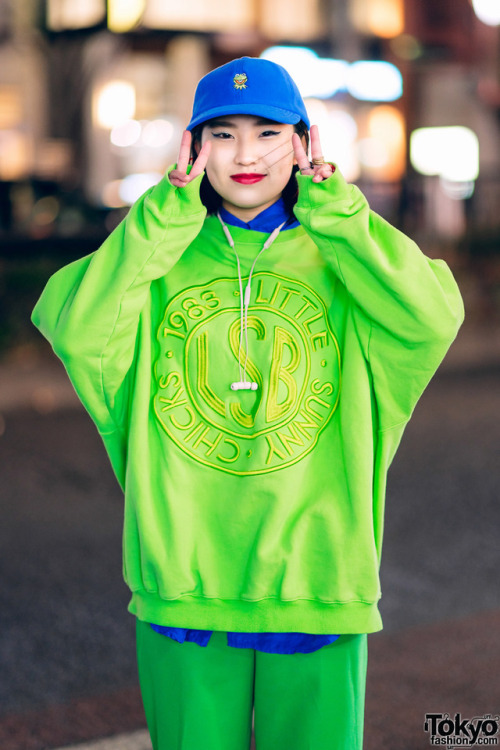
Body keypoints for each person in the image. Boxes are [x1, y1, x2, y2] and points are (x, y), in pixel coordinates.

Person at [32, 57, 464, 750]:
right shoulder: (158, 255)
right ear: (194, 148)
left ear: (303, 141)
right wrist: (163, 217)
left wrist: (339, 213)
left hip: (318, 584)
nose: (245, 154)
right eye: (222, 134)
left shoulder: (343, 255)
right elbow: (76, 324)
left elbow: (430, 316)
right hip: (185, 582)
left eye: (267, 132)